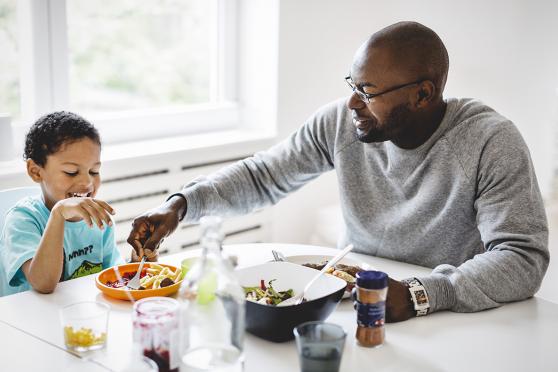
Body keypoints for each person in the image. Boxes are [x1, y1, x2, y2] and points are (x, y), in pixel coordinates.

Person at [127, 21, 549, 322]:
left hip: (449, 314)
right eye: (352, 84)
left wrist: (423, 294)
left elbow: (522, 258)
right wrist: (181, 205)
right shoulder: (341, 123)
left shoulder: (491, 141)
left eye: (367, 92)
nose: (351, 103)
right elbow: (264, 176)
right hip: (355, 303)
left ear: (424, 94)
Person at [0, 111, 126, 296]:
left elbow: (111, 278)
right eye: (71, 172)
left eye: (94, 171)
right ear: (36, 171)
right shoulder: (22, 220)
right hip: (27, 319)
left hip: (77, 316)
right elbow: (43, 284)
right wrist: (58, 214)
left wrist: (139, 263)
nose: (87, 183)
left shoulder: (98, 220)